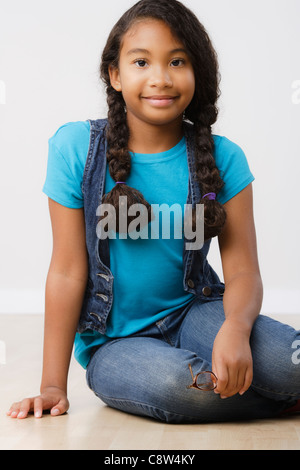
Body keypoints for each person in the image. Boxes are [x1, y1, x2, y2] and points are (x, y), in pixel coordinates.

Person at [7, 0, 300, 423]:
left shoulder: (224, 158)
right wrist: (52, 385)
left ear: (197, 72)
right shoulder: (75, 149)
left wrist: (234, 328)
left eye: (177, 61)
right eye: (141, 61)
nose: (160, 78)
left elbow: (243, 273)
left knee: (292, 361)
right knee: (181, 388)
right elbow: (67, 270)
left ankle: (279, 386)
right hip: (116, 343)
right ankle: (278, 400)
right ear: (115, 74)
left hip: (196, 312)